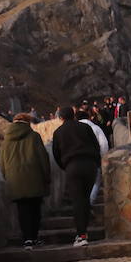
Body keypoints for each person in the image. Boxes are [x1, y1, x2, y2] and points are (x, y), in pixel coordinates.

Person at [50, 105, 102, 247]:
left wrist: (66, 166)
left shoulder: (58, 132)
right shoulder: (85, 128)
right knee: (85, 199)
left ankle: (81, 235)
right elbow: (96, 147)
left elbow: (56, 154)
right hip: (90, 166)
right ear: (73, 115)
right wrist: (96, 163)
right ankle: (84, 232)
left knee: (78, 201)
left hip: (73, 166)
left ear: (60, 118)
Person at [0, 112, 52, 249]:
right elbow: (43, 158)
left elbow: (2, 164)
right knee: (35, 209)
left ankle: (27, 239)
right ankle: (33, 237)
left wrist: (8, 177)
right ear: (28, 123)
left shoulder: (6, 140)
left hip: (15, 180)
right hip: (34, 179)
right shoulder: (34, 136)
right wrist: (47, 177)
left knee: (22, 210)